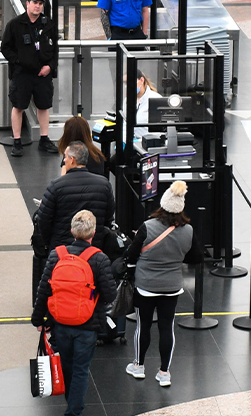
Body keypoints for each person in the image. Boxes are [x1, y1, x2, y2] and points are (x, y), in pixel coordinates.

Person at [31, 209, 116, 415]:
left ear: (72, 230)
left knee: (67, 366)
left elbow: (44, 289)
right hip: (87, 325)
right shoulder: (99, 259)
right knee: (80, 369)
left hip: (60, 322)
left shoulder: (56, 255)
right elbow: (110, 294)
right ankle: (74, 411)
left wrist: (37, 319)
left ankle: (73, 404)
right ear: (93, 233)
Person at [122, 181, 204, 386]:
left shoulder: (147, 227)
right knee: (167, 327)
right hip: (172, 286)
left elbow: (131, 255)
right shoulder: (189, 231)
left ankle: (139, 366)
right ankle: (164, 372)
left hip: (145, 286)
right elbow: (196, 258)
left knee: (144, 326)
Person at [2, 0, 59, 157]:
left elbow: (55, 48)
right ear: (27, 3)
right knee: (18, 105)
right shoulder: (15, 24)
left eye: (40, 3)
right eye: (35, 2)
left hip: (43, 74)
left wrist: (50, 66)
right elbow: (5, 48)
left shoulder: (48, 24)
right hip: (22, 74)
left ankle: (44, 138)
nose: (38, 6)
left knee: (44, 105)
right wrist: (19, 61)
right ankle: (17, 141)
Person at [31, 141, 115, 254]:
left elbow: (43, 219)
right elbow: (108, 217)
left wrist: (51, 242)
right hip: (93, 250)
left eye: (65, 157)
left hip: (62, 250)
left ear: (72, 159)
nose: (64, 160)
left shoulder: (56, 186)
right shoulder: (104, 184)